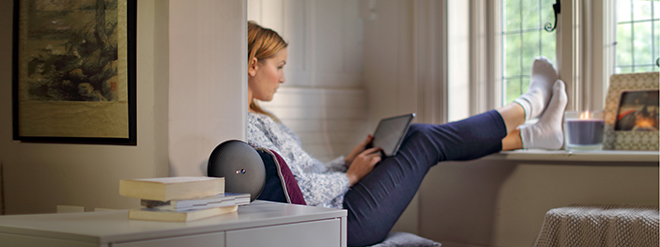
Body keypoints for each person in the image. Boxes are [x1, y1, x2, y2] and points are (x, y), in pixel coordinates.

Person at [246, 21, 567, 246]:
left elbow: (299, 177)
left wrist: (347, 161)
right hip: (343, 224)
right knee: (424, 139)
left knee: (414, 134)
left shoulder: (261, 119)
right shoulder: (244, 127)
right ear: (252, 64)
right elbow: (295, 197)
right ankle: (529, 105)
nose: (283, 78)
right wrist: (350, 177)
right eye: (280, 65)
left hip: (337, 209)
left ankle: (534, 133)